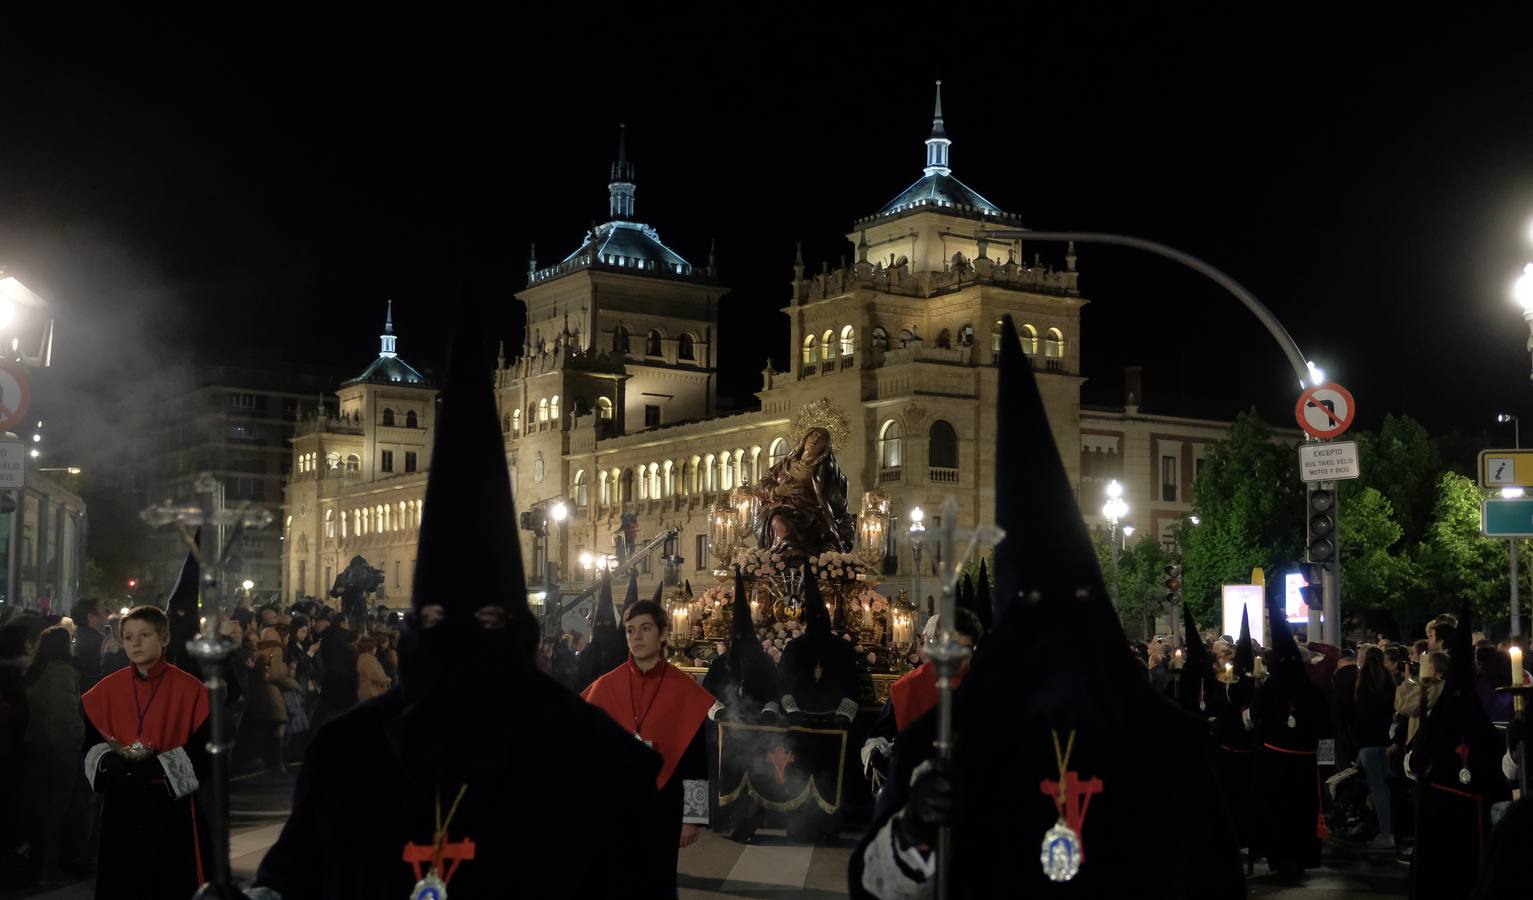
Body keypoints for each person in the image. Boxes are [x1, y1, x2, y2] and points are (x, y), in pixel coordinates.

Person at [252, 311, 668, 898]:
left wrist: (695, 815)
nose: (462, 645)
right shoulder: (349, 753)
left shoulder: (596, 759)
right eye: (437, 623)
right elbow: (289, 879)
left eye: (488, 623)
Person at [850, 318, 1244, 898]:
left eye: (1075, 610)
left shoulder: (1165, 741)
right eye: (1036, 616)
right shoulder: (944, 741)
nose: (1056, 637)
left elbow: (1212, 881)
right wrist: (913, 828)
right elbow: (871, 887)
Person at [81, 605, 211, 899]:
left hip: (169, 804)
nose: (135, 643)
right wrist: (110, 762)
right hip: (122, 803)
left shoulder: (192, 690)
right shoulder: (105, 689)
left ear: (164, 639)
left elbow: (203, 750)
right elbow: (90, 744)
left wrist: (155, 768)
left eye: (144, 635)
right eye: (127, 637)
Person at [583, 598, 715, 881]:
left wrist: (692, 818)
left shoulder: (684, 689)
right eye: (630, 630)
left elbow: (696, 759)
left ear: (664, 634)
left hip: (663, 805)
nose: (636, 637)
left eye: (645, 629)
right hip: (614, 804)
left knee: (657, 881)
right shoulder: (606, 686)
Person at [1407, 603, 1510, 900]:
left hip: (1442, 810)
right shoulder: (1479, 720)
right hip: (1473, 814)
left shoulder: (1441, 715)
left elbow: (1418, 760)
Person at [702, 568, 781, 839]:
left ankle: (749, 822)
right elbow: (707, 695)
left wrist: (769, 711)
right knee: (726, 775)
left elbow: (774, 692)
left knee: (757, 775)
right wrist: (719, 711)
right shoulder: (720, 664)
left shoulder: (763, 663)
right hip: (725, 732)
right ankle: (725, 819)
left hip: (757, 731)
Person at [23, 626, 89, 884]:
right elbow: (64, 715)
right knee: (62, 806)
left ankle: (42, 862)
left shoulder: (35, 671)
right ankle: (53, 865)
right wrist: (77, 739)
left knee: (45, 805)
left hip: (38, 743)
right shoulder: (61, 672)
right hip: (61, 747)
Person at [752, 426, 854, 557]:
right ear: (805, 438)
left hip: (812, 518)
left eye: (821, 438)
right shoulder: (784, 465)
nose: (815, 439)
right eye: (813, 434)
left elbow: (836, 503)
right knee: (779, 522)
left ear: (825, 447)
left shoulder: (828, 472)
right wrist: (777, 490)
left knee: (816, 535)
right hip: (782, 511)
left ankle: (794, 556)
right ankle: (786, 553)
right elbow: (759, 487)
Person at [1349, 646, 1398, 851]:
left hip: (1367, 742)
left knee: (1377, 789)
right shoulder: (1388, 682)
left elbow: (1358, 715)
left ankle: (1386, 834)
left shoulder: (1363, 682)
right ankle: (1388, 830)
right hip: (1385, 739)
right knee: (1384, 788)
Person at [70, 598, 108, 692]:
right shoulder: (100, 643)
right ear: (91, 617)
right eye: (103, 612)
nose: (106, 616)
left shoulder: (74, 637)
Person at [355, 635, 391, 702]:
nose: (376, 648)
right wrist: (387, 680)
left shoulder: (361, 657)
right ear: (369, 648)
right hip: (372, 692)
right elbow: (378, 676)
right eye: (374, 647)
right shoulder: (369, 660)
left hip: (364, 690)